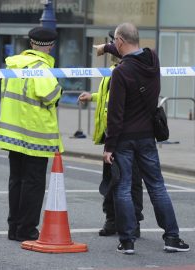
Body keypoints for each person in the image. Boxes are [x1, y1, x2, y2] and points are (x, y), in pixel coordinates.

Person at [99, 22, 189, 254]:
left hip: (125, 139)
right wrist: (108, 47)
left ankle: (127, 241)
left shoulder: (120, 73)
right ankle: (172, 237)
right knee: (157, 187)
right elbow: (127, 48)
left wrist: (109, 147)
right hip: (148, 137)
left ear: (119, 41)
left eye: (115, 43)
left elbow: (116, 115)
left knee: (123, 189)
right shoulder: (153, 59)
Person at [0, 27, 63, 241]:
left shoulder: (13, 64)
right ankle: (26, 229)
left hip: (13, 135)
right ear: (50, 47)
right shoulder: (41, 68)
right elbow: (50, 95)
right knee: (33, 183)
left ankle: (14, 227)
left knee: (16, 180)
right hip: (35, 136)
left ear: (30, 43)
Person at [78, 42, 143, 238]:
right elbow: (109, 97)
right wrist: (93, 97)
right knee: (111, 179)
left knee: (131, 181)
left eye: (114, 48)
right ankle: (112, 220)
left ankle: (132, 223)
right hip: (111, 133)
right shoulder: (113, 71)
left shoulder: (132, 68)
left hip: (127, 134)